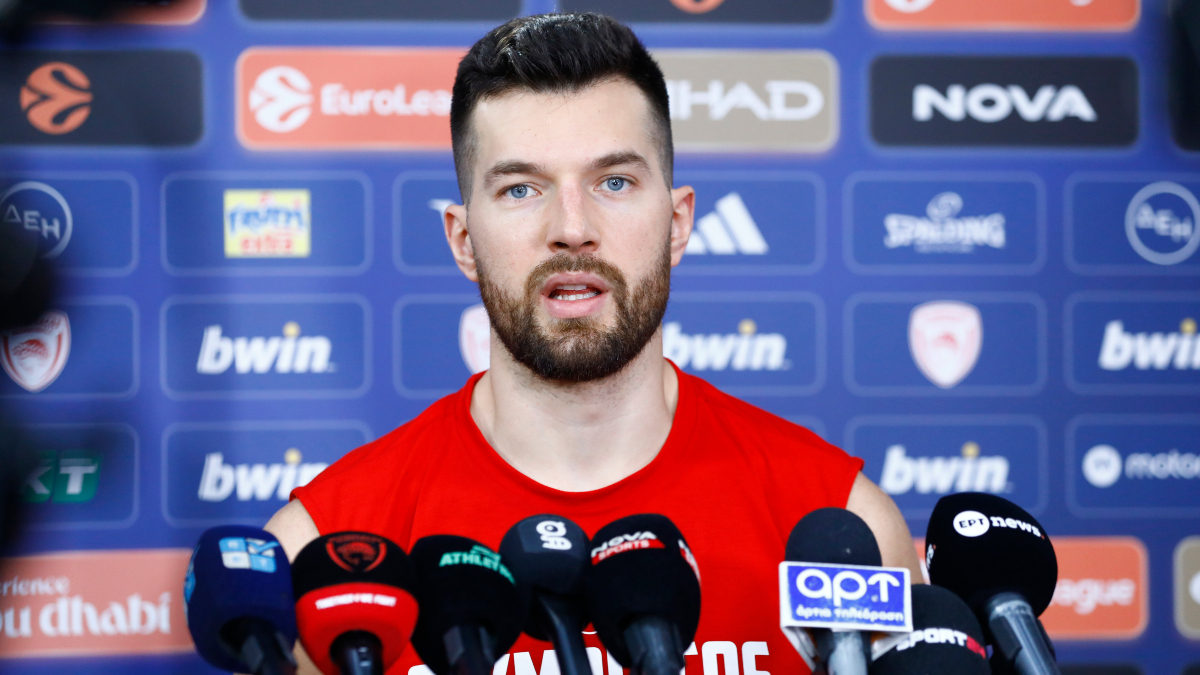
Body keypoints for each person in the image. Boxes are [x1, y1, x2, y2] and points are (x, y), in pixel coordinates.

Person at [266, 13, 922, 675]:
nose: (572, 228)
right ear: (463, 241)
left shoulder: (844, 531)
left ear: (677, 223)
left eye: (614, 182)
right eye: (521, 188)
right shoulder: (325, 559)